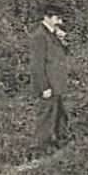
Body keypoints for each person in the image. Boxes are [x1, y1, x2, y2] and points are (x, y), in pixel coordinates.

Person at [31, 8, 72, 151]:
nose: (59, 22)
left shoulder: (53, 34)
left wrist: (62, 40)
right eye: (57, 18)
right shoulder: (40, 36)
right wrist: (44, 87)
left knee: (60, 115)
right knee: (45, 117)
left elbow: (62, 54)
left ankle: (61, 141)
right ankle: (39, 148)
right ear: (47, 17)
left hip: (57, 84)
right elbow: (37, 65)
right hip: (49, 85)